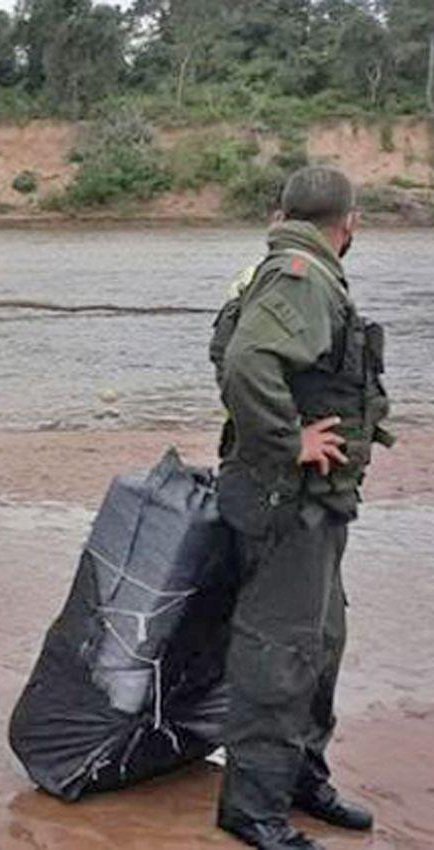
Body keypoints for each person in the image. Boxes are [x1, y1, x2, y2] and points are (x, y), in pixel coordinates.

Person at [210, 167, 393, 850]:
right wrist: (292, 441)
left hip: (311, 503)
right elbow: (246, 364)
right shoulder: (300, 274)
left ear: (282, 210)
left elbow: (235, 353)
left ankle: (299, 779)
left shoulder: (292, 268)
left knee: (321, 642)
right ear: (351, 223)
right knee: (280, 650)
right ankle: (253, 807)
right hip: (285, 499)